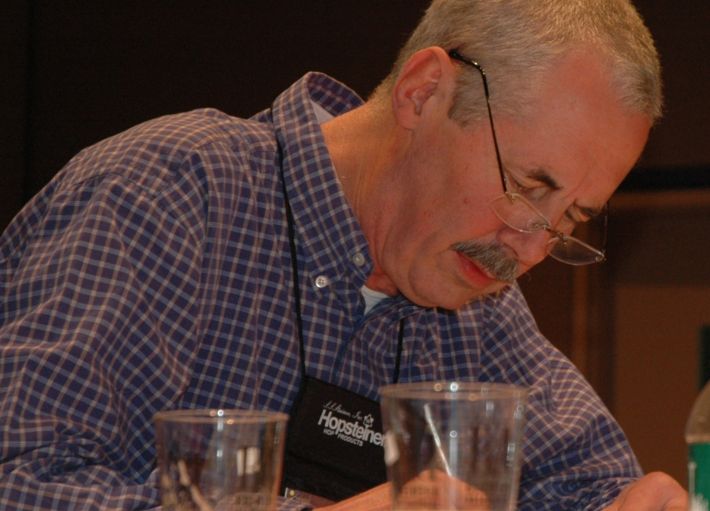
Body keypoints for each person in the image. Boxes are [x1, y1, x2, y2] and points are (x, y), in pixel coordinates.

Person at [0, 0, 688, 509]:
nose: (533, 248)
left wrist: (626, 501)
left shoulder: (476, 300)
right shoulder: (171, 195)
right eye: (529, 188)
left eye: (568, 220)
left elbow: (584, 481)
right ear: (424, 93)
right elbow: (20, 480)